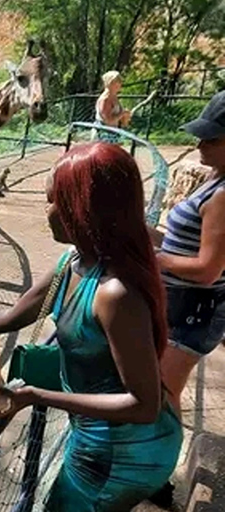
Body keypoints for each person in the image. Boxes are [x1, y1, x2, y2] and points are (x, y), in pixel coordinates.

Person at [0, 142, 182, 511]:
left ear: (83, 209)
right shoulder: (71, 263)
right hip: (96, 433)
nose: (45, 212)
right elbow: (16, 316)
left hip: (123, 449)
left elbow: (143, 405)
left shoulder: (114, 295)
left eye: (51, 201)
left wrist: (37, 396)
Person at [144, 91, 225, 506]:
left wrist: (156, 256)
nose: (199, 144)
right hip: (180, 305)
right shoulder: (213, 178)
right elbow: (185, 243)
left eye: (210, 139)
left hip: (195, 309)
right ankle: (155, 470)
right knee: (162, 391)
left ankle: (158, 480)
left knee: (163, 394)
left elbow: (208, 268)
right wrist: (149, 236)